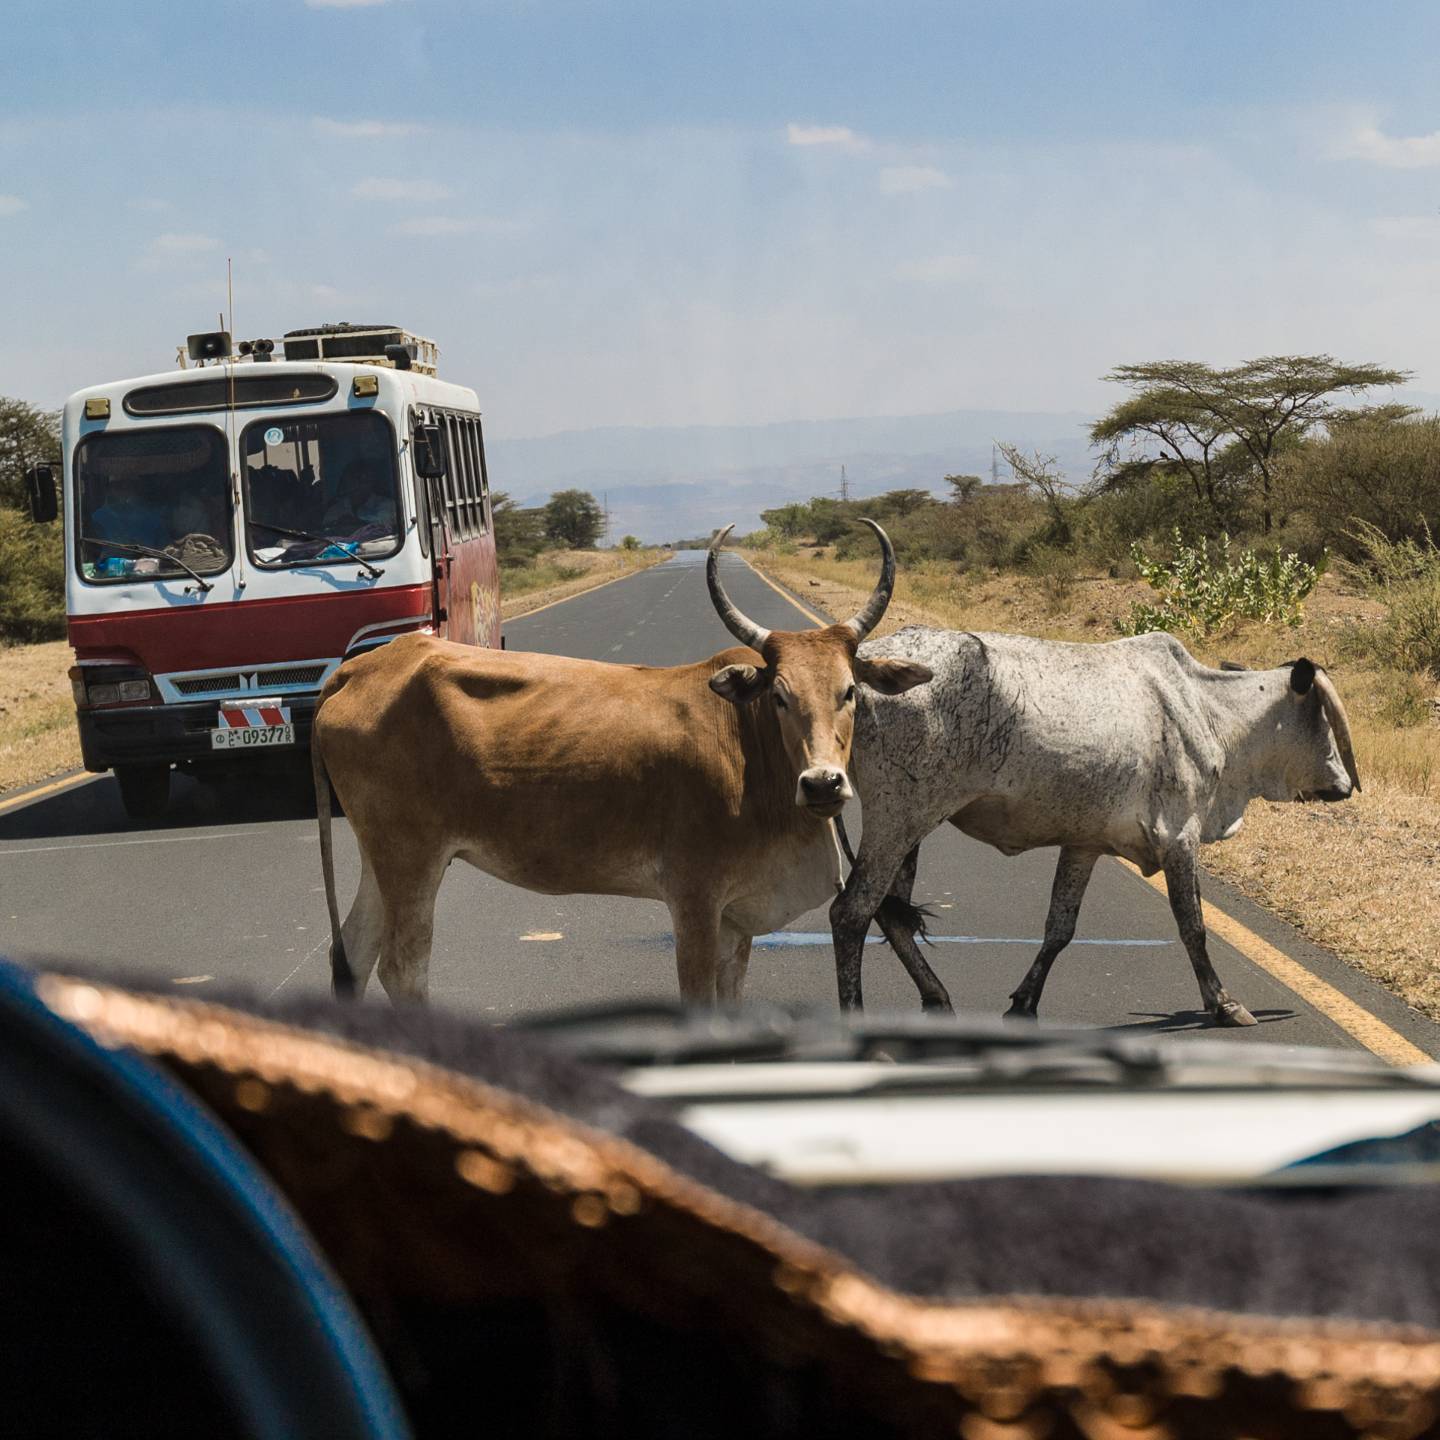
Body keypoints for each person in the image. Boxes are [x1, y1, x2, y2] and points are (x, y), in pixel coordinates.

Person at [89, 475, 171, 552]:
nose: (123, 492)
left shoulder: (153, 518)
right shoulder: (98, 517)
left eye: (128, 486)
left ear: (136, 489)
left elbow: (166, 551)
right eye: (118, 487)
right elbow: (93, 552)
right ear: (109, 490)